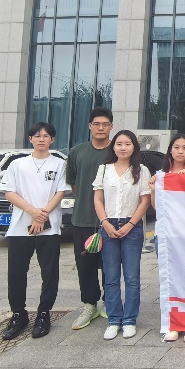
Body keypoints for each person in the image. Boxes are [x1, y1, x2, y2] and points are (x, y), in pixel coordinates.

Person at [0, 122, 69, 340]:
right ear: (30, 139)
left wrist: (43, 215)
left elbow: (61, 192)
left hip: (49, 229)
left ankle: (43, 313)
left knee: (49, 273)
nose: (41, 139)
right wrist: (33, 212)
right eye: (37, 136)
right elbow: (9, 192)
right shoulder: (17, 164)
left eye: (46, 136)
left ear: (52, 140)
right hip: (20, 228)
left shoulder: (60, 164)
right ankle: (18, 314)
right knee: (16, 272)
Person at [93, 130, 151, 340]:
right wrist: (105, 223)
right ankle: (114, 320)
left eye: (127, 143)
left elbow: (145, 201)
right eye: (119, 144)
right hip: (108, 225)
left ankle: (129, 320)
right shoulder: (104, 169)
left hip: (131, 227)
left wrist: (131, 224)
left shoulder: (141, 170)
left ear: (134, 147)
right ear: (114, 147)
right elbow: (98, 199)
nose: (123, 147)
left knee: (132, 277)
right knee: (111, 277)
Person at [147, 134, 185, 343]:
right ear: (170, 150)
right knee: (170, 278)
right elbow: (156, 207)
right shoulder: (161, 175)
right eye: (177, 147)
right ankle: (173, 323)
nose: (180, 151)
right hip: (166, 234)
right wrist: (153, 189)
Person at [67, 107, 113, 330]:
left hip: (112, 220)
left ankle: (109, 302)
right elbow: (73, 184)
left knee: (110, 265)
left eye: (105, 124)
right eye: (97, 124)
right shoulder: (77, 152)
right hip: (83, 218)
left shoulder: (117, 150)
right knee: (85, 265)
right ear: (90, 126)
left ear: (111, 127)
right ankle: (89, 304)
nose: (101, 128)